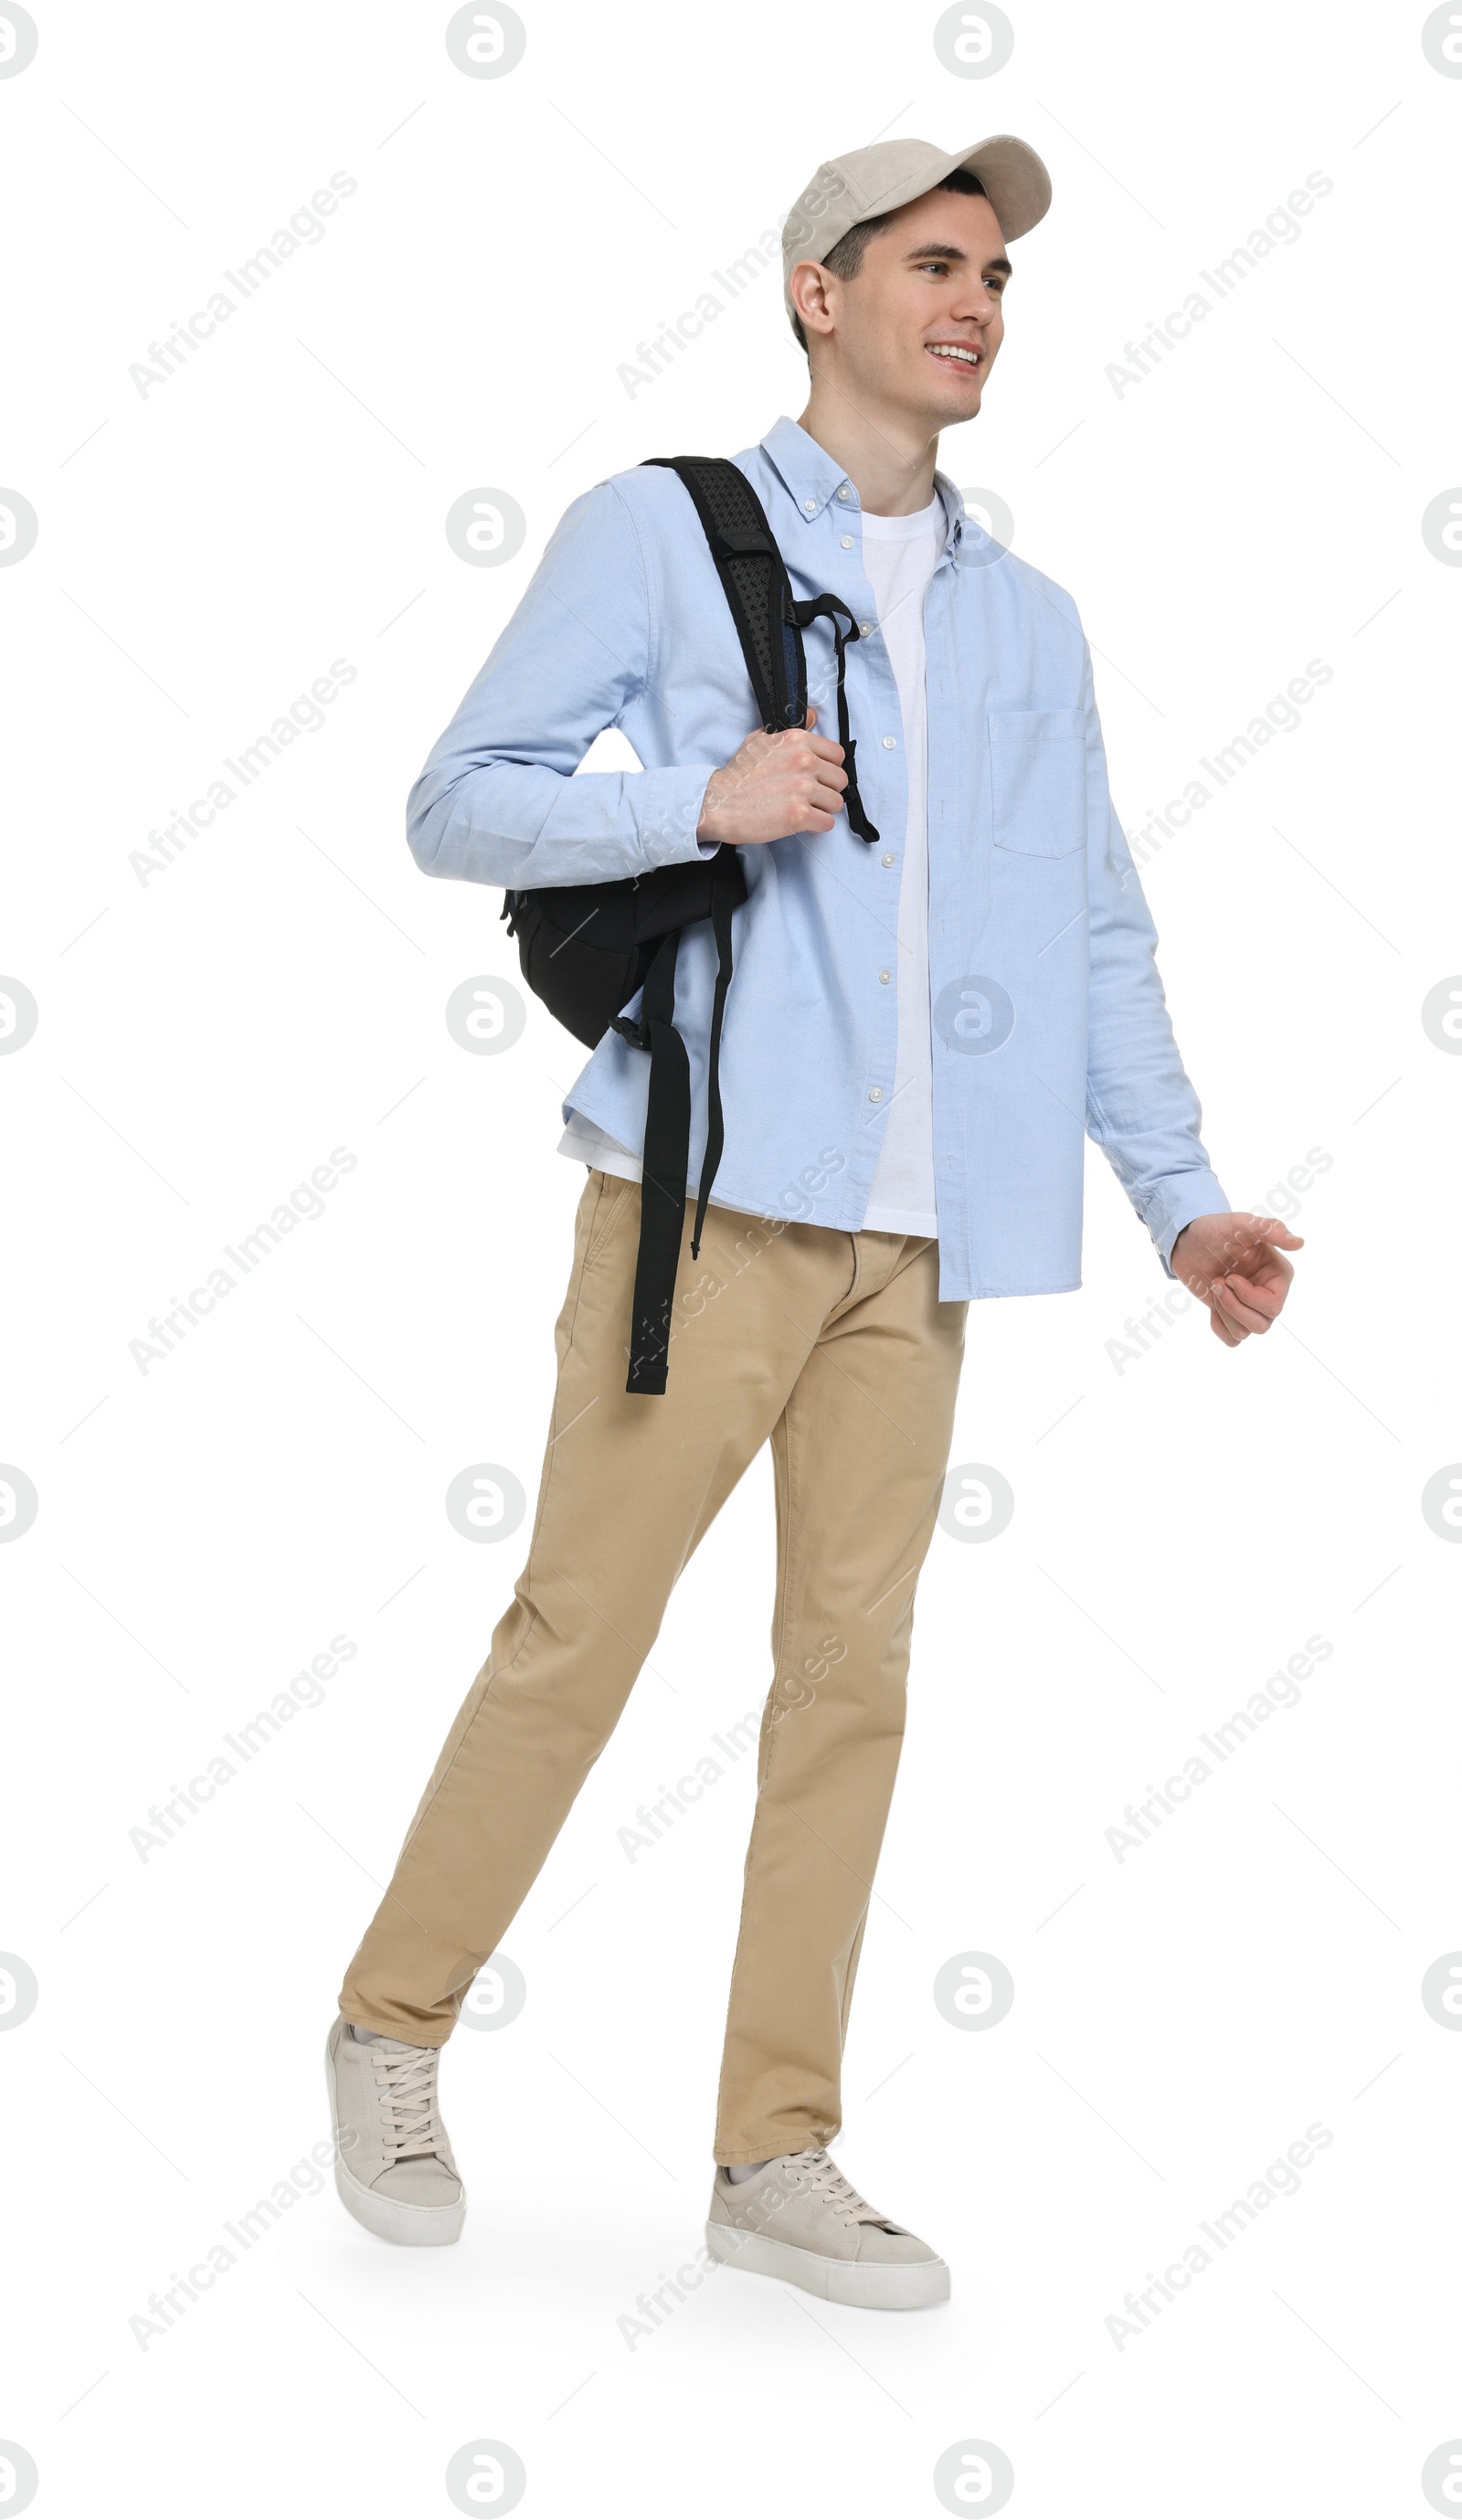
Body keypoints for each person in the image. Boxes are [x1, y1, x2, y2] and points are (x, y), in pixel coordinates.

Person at [326, 133, 1302, 2310]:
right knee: (578, 1637)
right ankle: (389, 2026)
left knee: (847, 1683)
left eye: (992, 276)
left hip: (919, 1247)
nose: (970, 300)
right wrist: (695, 793)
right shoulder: (663, 532)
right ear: (814, 293)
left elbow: (1092, 931)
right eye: (929, 264)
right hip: (704, 1208)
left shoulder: (1027, 617)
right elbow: (451, 797)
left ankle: (774, 2144)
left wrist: (1174, 1198)